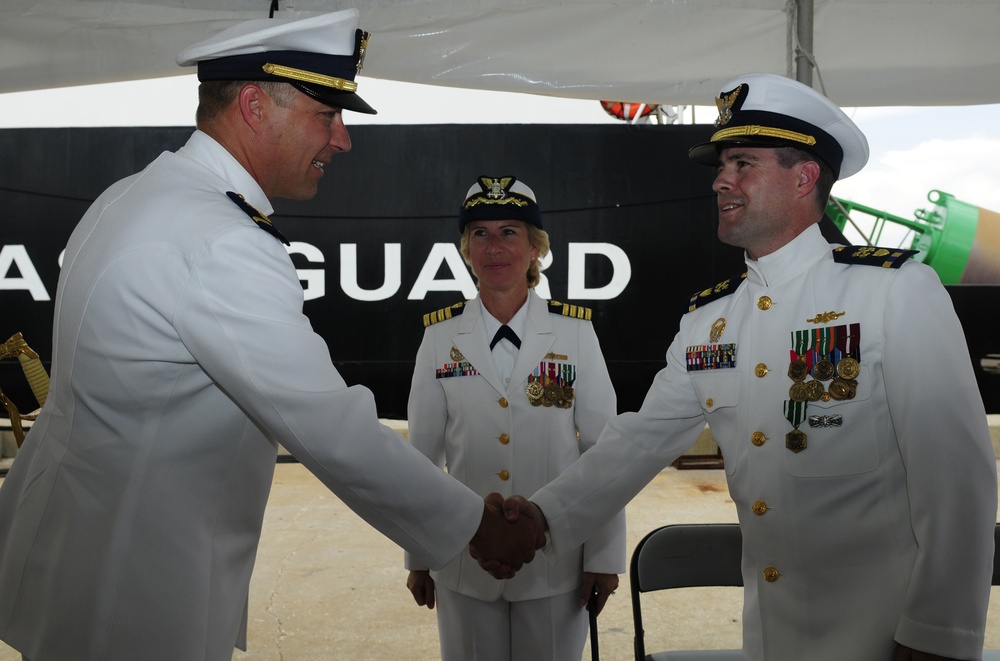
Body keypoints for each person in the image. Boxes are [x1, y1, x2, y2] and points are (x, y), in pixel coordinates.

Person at [0, 11, 541, 661]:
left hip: (75, 563)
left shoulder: (133, 195)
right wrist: (475, 526)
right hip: (135, 593)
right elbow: (328, 426)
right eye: (326, 115)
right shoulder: (220, 238)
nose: (342, 139)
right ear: (255, 105)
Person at [493, 73, 999, 661]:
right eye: (721, 165)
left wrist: (940, 634)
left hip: (884, 640)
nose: (719, 181)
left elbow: (957, 479)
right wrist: (540, 516)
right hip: (769, 638)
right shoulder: (711, 319)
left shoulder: (895, 292)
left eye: (742, 163)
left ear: (804, 176)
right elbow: (637, 442)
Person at [404, 176, 626, 660]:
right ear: (466, 249)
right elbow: (421, 456)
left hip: (557, 563)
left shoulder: (575, 334)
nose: (494, 246)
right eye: (480, 233)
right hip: (464, 563)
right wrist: (420, 556)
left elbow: (606, 452)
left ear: (535, 249)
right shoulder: (440, 338)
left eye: (509, 232)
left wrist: (604, 557)